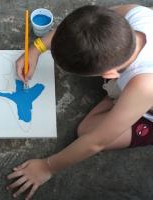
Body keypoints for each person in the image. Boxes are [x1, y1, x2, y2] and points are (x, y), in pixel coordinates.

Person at [9, 4, 153, 199]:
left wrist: (47, 167)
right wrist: (36, 49)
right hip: (135, 89)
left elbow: (96, 142)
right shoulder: (134, 13)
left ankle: (124, 105)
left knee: (86, 131)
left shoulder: (144, 84)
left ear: (109, 75)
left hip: (148, 108)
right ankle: (121, 103)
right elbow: (80, 28)